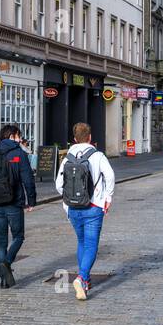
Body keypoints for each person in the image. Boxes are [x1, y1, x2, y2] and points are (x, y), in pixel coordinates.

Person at [55, 122, 116, 300]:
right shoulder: (97, 155)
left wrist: (69, 199)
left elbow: (59, 185)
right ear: (90, 137)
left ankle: (86, 281)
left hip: (73, 208)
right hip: (93, 206)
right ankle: (81, 278)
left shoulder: (68, 157)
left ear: (74, 139)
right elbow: (110, 176)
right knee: (91, 245)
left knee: (81, 242)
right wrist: (108, 197)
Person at [0, 124, 37, 288]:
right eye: (18, 136)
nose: (20, 139)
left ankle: (4, 280)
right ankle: (6, 262)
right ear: (12, 136)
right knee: (18, 237)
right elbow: (27, 178)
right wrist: (31, 200)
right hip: (14, 203)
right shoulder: (18, 153)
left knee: (0, 243)